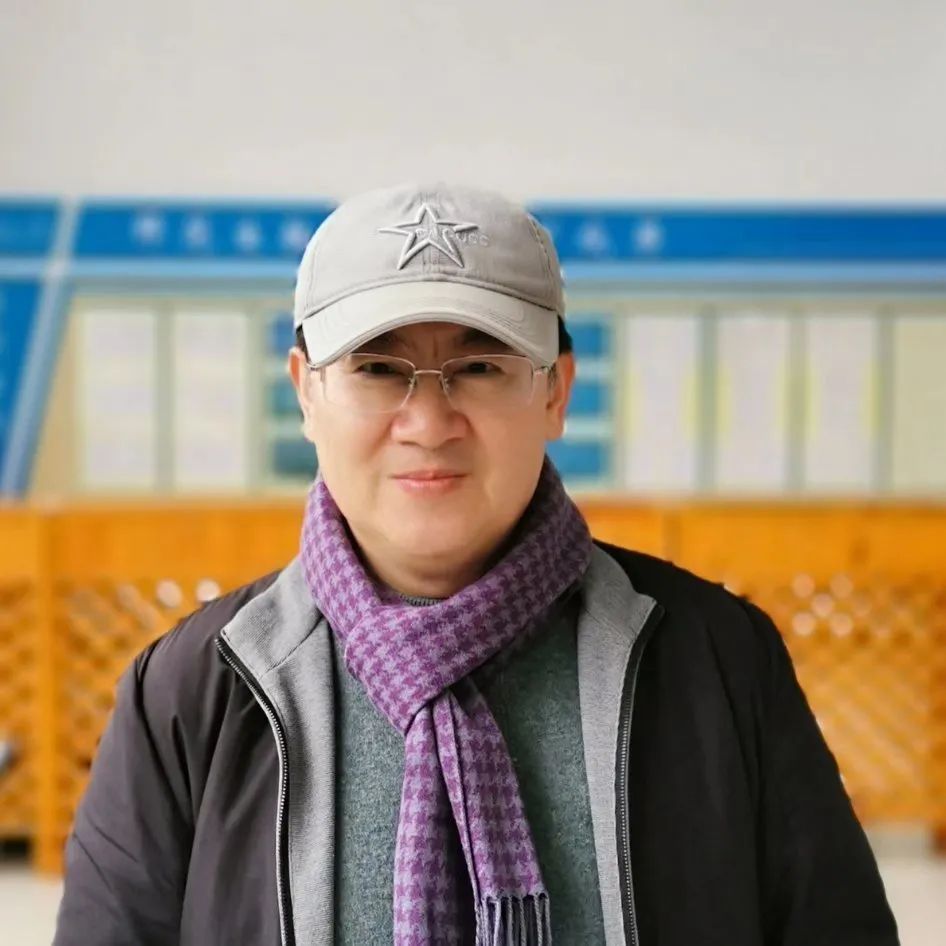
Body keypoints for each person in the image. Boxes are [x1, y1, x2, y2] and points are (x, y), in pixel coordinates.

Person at [53, 183, 900, 946]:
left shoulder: (719, 659)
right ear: (307, 391)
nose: (428, 422)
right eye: (377, 368)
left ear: (555, 390)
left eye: (481, 366)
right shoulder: (190, 692)